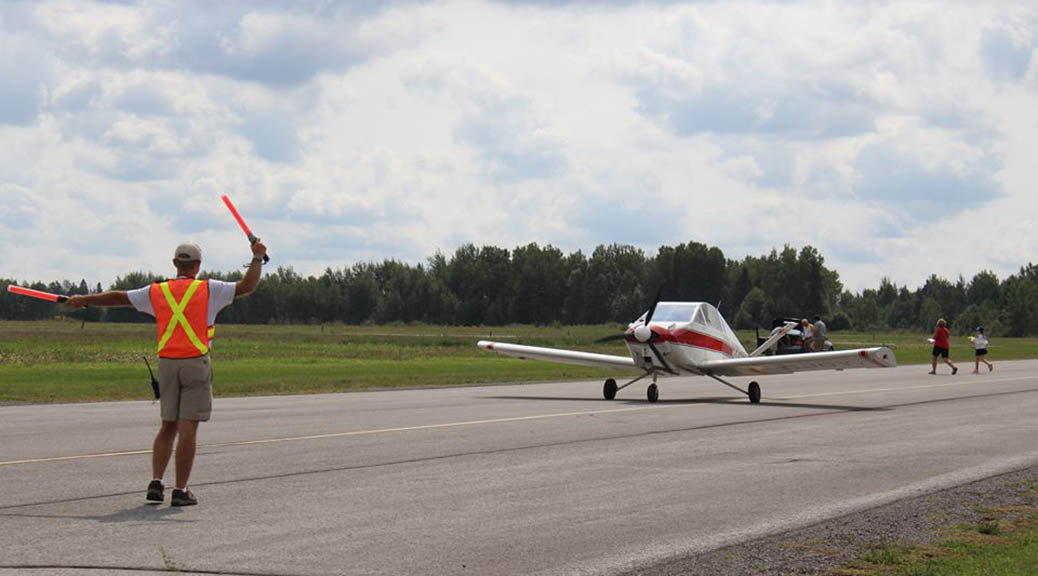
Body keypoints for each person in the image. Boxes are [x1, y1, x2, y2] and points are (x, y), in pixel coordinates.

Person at [65, 240, 267, 506]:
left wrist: (85, 300)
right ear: (198, 265)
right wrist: (257, 258)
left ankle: (156, 482)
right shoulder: (209, 289)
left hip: (167, 363)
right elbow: (247, 286)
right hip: (195, 363)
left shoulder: (156, 291)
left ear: (175, 263)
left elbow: (118, 297)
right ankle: (180, 490)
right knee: (188, 427)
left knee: (167, 426)